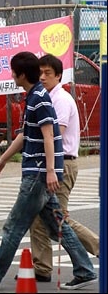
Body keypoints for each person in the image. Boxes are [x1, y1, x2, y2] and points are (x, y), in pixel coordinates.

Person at [0, 51, 98, 290]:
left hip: (37, 173)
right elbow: (26, 134)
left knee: (15, 226)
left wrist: (50, 171)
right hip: (37, 170)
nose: (12, 75)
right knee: (58, 225)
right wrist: (2, 160)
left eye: (13, 71)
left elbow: (50, 135)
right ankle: (85, 269)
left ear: (22, 74)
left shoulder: (41, 99)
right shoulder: (35, 97)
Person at [26, 54, 100, 282]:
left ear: (59, 75)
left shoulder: (60, 99)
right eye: (40, 72)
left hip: (61, 163)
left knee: (58, 219)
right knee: (39, 217)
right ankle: (42, 267)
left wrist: (49, 169)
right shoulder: (43, 97)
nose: (43, 77)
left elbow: (53, 134)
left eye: (48, 73)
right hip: (51, 163)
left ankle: (99, 248)